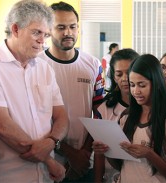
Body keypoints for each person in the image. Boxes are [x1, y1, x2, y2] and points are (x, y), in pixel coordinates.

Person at [0, 0, 69, 182]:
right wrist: (50, 161)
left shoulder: (45, 69)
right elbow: (1, 125)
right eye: (36, 32)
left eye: (46, 35)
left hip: (46, 178)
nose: (42, 41)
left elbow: (62, 117)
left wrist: (52, 141)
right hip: (11, 176)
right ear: (16, 29)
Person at [38, 1, 105, 182]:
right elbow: (33, 117)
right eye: (60, 27)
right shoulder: (35, 64)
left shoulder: (93, 64)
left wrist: (84, 153)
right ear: (48, 29)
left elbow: (100, 113)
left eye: (72, 27)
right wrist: (69, 154)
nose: (68, 32)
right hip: (47, 161)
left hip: (85, 161)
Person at [93, 54, 166, 182]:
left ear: (157, 83)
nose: (136, 91)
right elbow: (121, 166)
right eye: (132, 85)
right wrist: (106, 150)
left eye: (142, 85)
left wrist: (150, 154)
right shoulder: (126, 117)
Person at [94, 48, 139, 183]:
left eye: (130, 73)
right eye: (119, 74)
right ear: (113, 76)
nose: (125, 79)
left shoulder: (151, 107)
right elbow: (99, 153)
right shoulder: (104, 109)